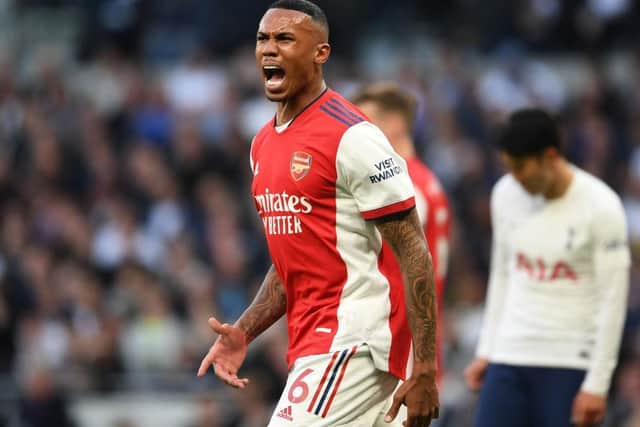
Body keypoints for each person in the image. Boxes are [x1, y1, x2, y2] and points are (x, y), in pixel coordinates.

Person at [197, 1, 440, 426]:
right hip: (314, 343)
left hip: (354, 341)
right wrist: (246, 331)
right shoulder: (262, 145)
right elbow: (296, 258)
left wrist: (425, 366)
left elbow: (414, 250)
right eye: (262, 39)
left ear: (320, 53)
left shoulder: (354, 137)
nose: (269, 50)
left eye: (285, 38)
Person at [464, 108, 631, 427]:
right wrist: (487, 349)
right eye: (509, 168)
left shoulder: (601, 206)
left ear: (550, 156)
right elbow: (502, 274)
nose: (516, 177)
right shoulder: (505, 194)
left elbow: (614, 299)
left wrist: (598, 383)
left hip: (568, 359)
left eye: (521, 167)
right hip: (509, 354)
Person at [351, 82, 451, 383]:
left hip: (397, 351)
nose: (356, 135)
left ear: (394, 124)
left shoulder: (400, 186)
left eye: (364, 123)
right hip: (414, 347)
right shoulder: (426, 180)